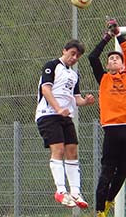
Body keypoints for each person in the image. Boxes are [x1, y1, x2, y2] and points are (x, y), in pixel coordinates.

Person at [88, 18, 126, 217]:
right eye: (110, 59)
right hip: (112, 128)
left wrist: (119, 35)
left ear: (123, 64)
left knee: (124, 169)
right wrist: (106, 38)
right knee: (107, 169)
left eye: (117, 59)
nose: (113, 60)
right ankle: (100, 209)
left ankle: (109, 200)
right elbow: (92, 57)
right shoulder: (104, 79)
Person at [36, 39, 95, 208]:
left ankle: (75, 192)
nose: (74, 58)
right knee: (59, 149)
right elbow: (45, 89)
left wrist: (85, 101)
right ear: (64, 51)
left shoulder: (74, 75)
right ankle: (60, 190)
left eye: (78, 56)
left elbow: (75, 99)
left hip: (65, 116)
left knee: (72, 151)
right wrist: (58, 108)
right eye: (72, 54)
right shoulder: (52, 66)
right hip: (48, 114)